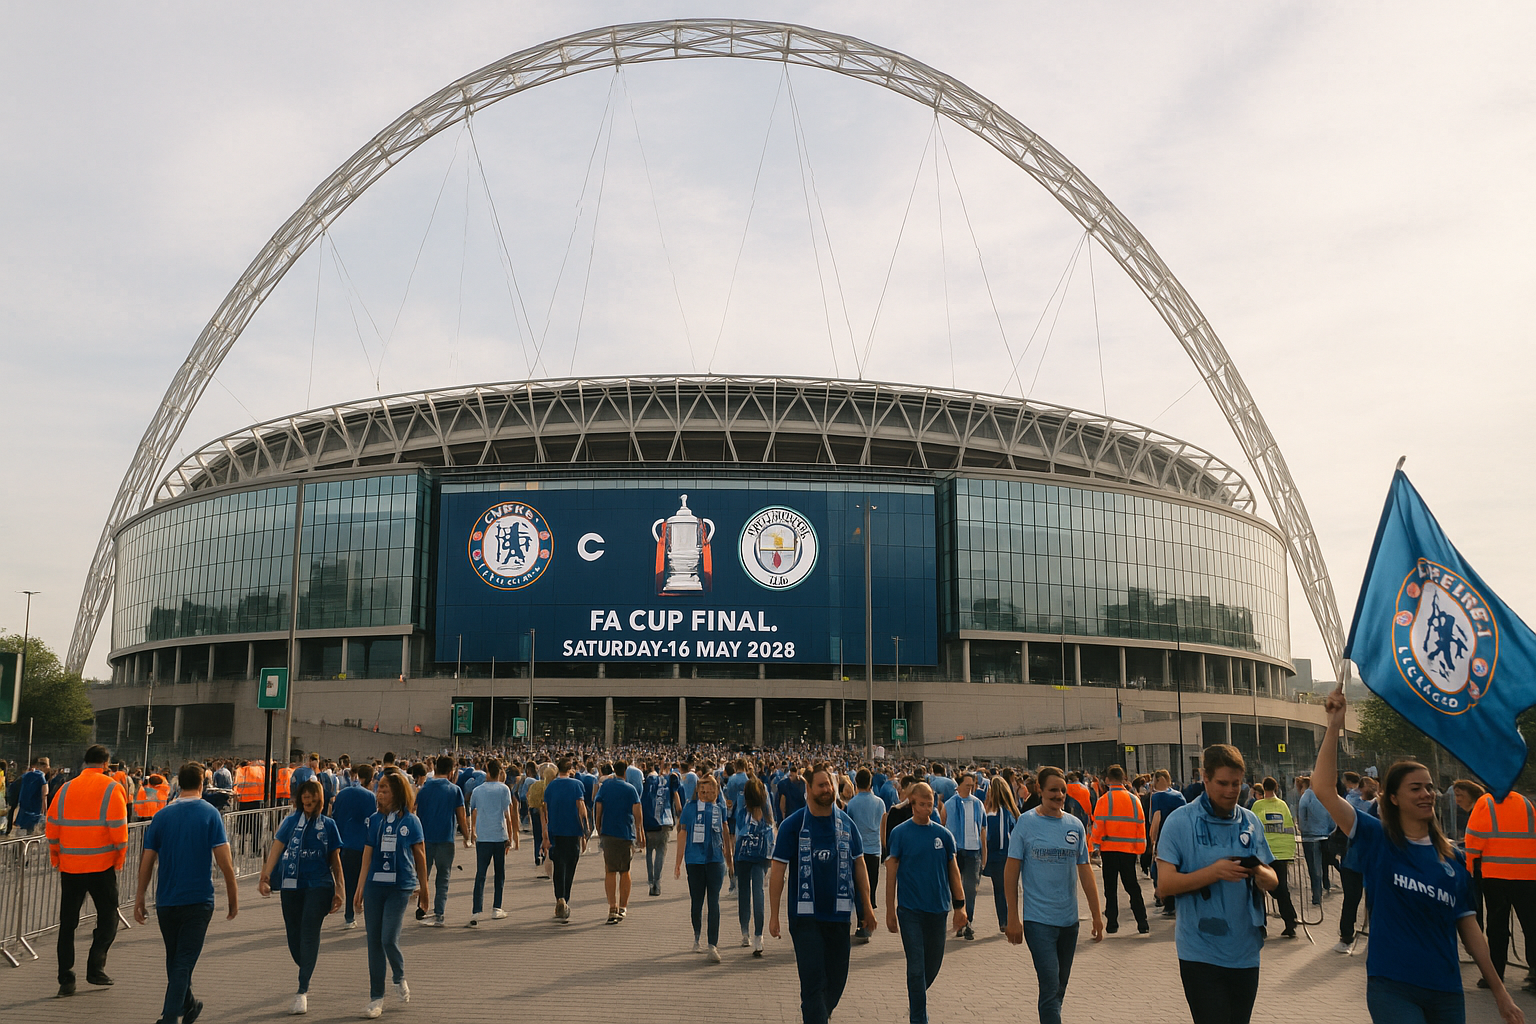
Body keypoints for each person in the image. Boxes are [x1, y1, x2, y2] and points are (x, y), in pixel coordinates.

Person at [1311, 690, 1523, 1024]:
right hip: (1392, 985)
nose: (1427, 793)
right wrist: (1334, 725)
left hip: (1446, 990)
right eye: (1415, 788)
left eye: (1429, 787)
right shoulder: (1377, 837)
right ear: (1392, 798)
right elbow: (1323, 789)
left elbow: (1470, 930)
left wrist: (1500, 992)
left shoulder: (1453, 858)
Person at [1155, 745, 1279, 1024]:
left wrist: (1260, 873)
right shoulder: (1180, 822)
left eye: (1237, 783)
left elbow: (1273, 879)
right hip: (1200, 951)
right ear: (1205, 778)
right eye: (1222, 783)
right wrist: (1215, 872)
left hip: (1245, 951)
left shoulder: (1250, 821)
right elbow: (1165, 885)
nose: (1231, 791)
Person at [769, 765, 878, 1024]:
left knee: (837, 979)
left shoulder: (847, 824)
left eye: (830, 784)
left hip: (839, 915)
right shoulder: (792, 825)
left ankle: (817, 1013)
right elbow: (777, 873)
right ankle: (815, 1014)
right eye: (821, 785)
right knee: (813, 982)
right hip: (805, 917)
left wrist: (868, 907)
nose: (827, 790)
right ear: (808, 789)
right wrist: (773, 915)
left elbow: (859, 866)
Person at [134, 762, 238, 1024]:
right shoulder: (210, 814)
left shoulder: (162, 815)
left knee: (176, 959)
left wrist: (139, 897)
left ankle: (189, 1006)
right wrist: (233, 897)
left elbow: (147, 859)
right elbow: (224, 861)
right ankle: (171, 1016)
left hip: (167, 899)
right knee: (182, 962)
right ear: (202, 784)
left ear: (178, 783)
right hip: (198, 899)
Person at [1004, 766, 1103, 1024]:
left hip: (1068, 923)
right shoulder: (1026, 823)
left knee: (1059, 988)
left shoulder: (1075, 825)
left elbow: (1085, 871)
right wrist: (1012, 918)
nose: (1059, 795)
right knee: (1049, 987)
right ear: (1039, 789)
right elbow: (1011, 871)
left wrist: (1096, 914)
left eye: (1062, 790)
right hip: (1039, 922)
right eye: (1053, 790)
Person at [46, 745, 128, 998]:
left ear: (84, 762)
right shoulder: (112, 787)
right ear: (106, 764)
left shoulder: (66, 788)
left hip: (70, 867)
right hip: (101, 866)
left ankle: (65, 978)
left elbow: (52, 826)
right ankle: (95, 967)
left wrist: (56, 856)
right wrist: (119, 859)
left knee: (67, 924)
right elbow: (119, 830)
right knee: (108, 917)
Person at [258, 779, 345, 1015]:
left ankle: (302, 989)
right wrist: (265, 876)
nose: (308, 800)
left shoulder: (328, 825)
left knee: (309, 930)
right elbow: (277, 847)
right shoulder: (289, 822)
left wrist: (340, 889)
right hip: (291, 884)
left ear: (320, 799)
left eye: (312, 796)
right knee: (294, 935)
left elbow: (335, 860)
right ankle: (307, 964)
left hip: (318, 884)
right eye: (304, 796)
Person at [885, 782, 967, 1024]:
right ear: (912, 804)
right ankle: (919, 1017)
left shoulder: (943, 835)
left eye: (930, 804)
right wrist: (890, 909)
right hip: (910, 910)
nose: (927, 809)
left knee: (931, 966)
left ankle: (916, 998)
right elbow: (891, 874)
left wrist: (960, 906)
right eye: (922, 804)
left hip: (938, 909)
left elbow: (954, 871)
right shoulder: (899, 833)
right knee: (916, 967)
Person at [353, 770, 429, 1019]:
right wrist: (360, 887)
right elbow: (367, 855)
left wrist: (425, 889)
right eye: (379, 788)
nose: (380, 793)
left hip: (400, 886)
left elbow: (420, 856)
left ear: (397, 793)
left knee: (388, 938)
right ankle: (376, 997)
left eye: (385, 789)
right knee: (373, 941)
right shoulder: (373, 820)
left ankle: (399, 976)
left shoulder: (411, 821)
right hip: (376, 885)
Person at [1462, 784, 1536, 991]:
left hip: (1496, 876)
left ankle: (1495, 975)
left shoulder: (1485, 803)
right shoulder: (1526, 802)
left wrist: (1470, 865)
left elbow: (1474, 836)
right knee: (1531, 926)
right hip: (1528, 875)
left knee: (1497, 927)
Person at [675, 772, 734, 961]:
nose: (706, 794)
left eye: (710, 791)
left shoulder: (719, 809)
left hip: (715, 860)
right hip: (694, 860)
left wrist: (729, 857)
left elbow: (725, 831)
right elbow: (682, 833)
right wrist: (678, 862)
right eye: (703, 791)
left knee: (714, 901)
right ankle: (697, 934)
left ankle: (713, 944)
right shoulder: (690, 808)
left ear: (716, 792)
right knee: (697, 902)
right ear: (697, 792)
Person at [1090, 764, 1150, 935]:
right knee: (1132, 886)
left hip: (1109, 850)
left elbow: (1098, 825)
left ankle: (1112, 923)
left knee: (1111, 888)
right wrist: (1140, 848)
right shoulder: (1134, 800)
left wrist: (1096, 845)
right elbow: (1140, 825)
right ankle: (1142, 922)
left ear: (1107, 780)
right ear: (1124, 779)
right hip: (1129, 851)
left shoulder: (1104, 800)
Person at [414, 755, 469, 927]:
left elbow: (413, 810)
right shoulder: (454, 790)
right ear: (451, 771)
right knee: (443, 877)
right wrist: (467, 837)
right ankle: (439, 913)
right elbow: (461, 816)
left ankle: (422, 906)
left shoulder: (422, 789)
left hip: (424, 839)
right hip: (446, 838)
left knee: (423, 875)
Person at [593, 759, 645, 924]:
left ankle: (612, 906)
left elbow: (598, 805)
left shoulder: (606, 786)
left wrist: (598, 825)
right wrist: (639, 831)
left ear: (614, 770)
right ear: (626, 772)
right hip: (625, 833)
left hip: (608, 831)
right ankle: (623, 906)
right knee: (625, 870)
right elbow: (637, 811)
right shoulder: (630, 789)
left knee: (609, 870)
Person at [467, 758, 515, 926]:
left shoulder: (478, 791)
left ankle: (476, 911)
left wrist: (472, 832)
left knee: (480, 874)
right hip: (499, 835)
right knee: (499, 873)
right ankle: (496, 907)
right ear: (500, 772)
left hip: (483, 836)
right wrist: (510, 837)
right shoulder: (504, 789)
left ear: (487, 771)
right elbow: (507, 815)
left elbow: (473, 810)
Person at [1250, 777, 1299, 937]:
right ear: (1277, 788)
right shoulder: (1283, 805)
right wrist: (1290, 850)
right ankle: (1290, 921)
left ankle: (1261, 926)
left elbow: (1252, 829)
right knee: (1282, 888)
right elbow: (1290, 827)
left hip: (1264, 853)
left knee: (1260, 889)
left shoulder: (1258, 805)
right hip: (1282, 853)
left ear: (1263, 789)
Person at [332, 763, 377, 931]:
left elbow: (335, 816)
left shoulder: (342, 794)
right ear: (369, 779)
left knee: (348, 881)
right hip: (363, 845)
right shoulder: (370, 797)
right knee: (365, 879)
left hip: (343, 843)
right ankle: (364, 909)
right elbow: (372, 821)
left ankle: (349, 916)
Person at [541, 757, 587, 922]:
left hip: (556, 831)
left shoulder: (551, 786)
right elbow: (581, 809)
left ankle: (559, 897)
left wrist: (545, 835)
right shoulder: (576, 785)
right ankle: (565, 898)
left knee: (559, 867)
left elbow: (545, 811)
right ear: (570, 769)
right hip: (573, 831)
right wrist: (585, 833)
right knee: (570, 867)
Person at [942, 771, 986, 939]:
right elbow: (943, 824)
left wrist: (984, 852)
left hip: (973, 850)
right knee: (956, 887)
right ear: (959, 785)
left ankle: (968, 922)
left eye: (972, 785)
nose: (970, 788)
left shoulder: (977, 804)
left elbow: (982, 828)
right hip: (956, 850)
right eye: (967, 785)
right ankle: (959, 918)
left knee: (970, 888)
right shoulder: (949, 804)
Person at [735, 776, 775, 956]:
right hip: (761, 854)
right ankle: (759, 935)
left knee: (744, 892)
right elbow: (772, 825)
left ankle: (745, 932)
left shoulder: (743, 810)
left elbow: (737, 831)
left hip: (743, 854)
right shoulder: (766, 809)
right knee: (758, 892)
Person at [845, 768, 886, 943]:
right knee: (872, 886)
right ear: (870, 783)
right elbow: (882, 825)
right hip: (874, 849)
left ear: (856, 783)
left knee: (859, 886)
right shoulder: (880, 803)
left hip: (857, 851)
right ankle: (869, 920)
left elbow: (848, 827)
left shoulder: (852, 803)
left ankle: (862, 923)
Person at [981, 771, 1020, 933]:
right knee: (1010, 889)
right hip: (1010, 856)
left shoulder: (989, 813)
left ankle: (1004, 920)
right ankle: (1011, 918)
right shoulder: (1012, 812)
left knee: (999, 890)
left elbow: (989, 837)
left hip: (996, 856)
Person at [1147, 769, 1186, 917]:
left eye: (1155, 780)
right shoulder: (1179, 795)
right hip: (1181, 838)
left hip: (1165, 838)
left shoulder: (1158, 797)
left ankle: (1168, 904)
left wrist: (1152, 838)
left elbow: (1156, 819)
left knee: (1162, 870)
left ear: (1160, 780)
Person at [1295, 774, 1337, 907]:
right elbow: (1332, 814)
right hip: (1325, 836)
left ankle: (1317, 895)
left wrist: (1303, 829)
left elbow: (1301, 815)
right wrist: (1330, 830)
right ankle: (1327, 884)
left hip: (1310, 837)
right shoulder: (1324, 796)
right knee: (1324, 863)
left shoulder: (1306, 797)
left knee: (1314, 868)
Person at [642, 760, 681, 896]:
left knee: (648, 852)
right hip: (664, 821)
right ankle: (657, 883)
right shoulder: (669, 780)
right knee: (660, 852)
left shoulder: (647, 782)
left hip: (648, 821)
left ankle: (650, 880)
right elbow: (676, 797)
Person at [13, 755, 50, 835]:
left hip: (23, 808)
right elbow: (44, 795)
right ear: (44, 766)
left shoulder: (26, 775)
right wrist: (45, 812)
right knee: (32, 834)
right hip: (35, 810)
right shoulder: (41, 778)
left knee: (21, 835)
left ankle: (22, 847)